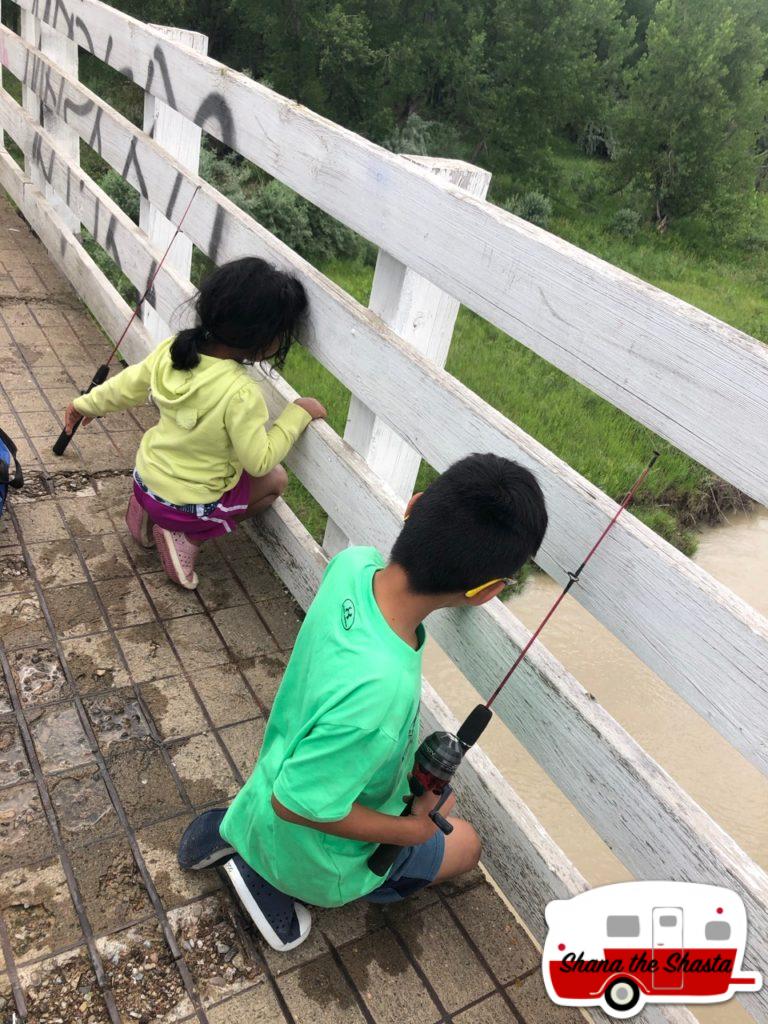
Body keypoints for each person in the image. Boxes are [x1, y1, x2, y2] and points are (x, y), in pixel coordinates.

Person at [178, 453, 548, 951]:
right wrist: (410, 831)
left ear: (413, 507)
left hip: (267, 783)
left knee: (437, 806)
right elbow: (296, 804)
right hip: (309, 846)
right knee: (466, 843)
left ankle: (236, 831)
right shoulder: (383, 691)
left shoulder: (353, 565)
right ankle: (268, 881)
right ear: (485, 594)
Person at [63, 257, 326, 589]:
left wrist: (82, 404)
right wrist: (296, 414)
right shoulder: (240, 391)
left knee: (183, 466)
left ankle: (144, 511)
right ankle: (188, 537)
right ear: (261, 339)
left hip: (144, 480)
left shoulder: (172, 350)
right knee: (275, 480)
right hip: (185, 507)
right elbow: (259, 461)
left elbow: (124, 386)